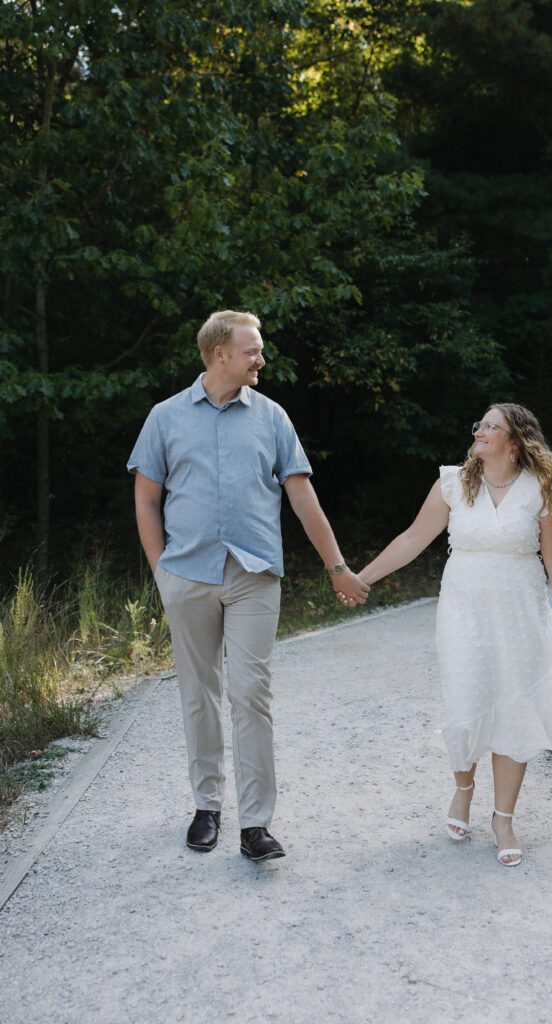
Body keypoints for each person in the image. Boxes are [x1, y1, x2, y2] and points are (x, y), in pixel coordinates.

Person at [128, 310, 369, 862]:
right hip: (187, 575)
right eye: (252, 350)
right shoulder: (164, 418)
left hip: (255, 576)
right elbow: (146, 499)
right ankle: (206, 807)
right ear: (220, 354)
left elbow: (303, 497)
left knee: (250, 694)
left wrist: (336, 566)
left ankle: (256, 824)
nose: (261, 358)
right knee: (198, 693)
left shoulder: (273, 418)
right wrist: (161, 570)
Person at [358, 403, 552, 866]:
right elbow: (413, 539)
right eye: (480, 424)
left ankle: (503, 817)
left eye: (493, 426)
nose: (481, 430)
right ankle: (462, 792)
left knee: (515, 706)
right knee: (466, 698)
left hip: (520, 614)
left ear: (515, 442)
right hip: (463, 612)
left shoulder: (542, 489)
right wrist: (362, 578)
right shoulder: (453, 483)